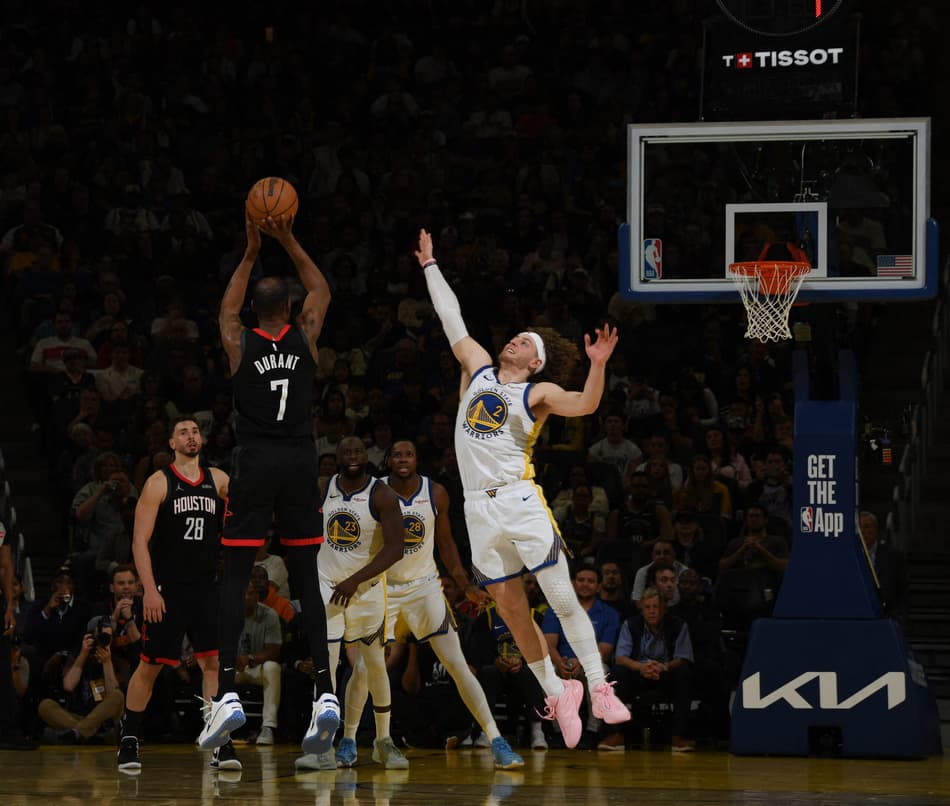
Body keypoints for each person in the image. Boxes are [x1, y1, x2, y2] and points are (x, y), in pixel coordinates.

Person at [414, 228, 630, 749]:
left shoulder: (539, 391)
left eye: (527, 343)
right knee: (510, 610)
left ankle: (600, 687)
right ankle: (558, 690)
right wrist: (430, 266)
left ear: (535, 361)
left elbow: (585, 406)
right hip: (477, 510)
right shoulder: (480, 367)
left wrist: (598, 366)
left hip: (518, 499)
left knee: (558, 594)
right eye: (518, 335)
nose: (518, 340)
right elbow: (451, 320)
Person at [200, 212, 337, 760]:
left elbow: (225, 309)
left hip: (254, 461)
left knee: (235, 575)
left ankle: (228, 690)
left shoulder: (240, 342)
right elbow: (322, 287)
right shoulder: (306, 337)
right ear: (292, 309)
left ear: (256, 312)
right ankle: (325, 690)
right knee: (306, 575)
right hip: (301, 459)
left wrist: (253, 247)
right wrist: (287, 237)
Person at [333, 439, 523, 770]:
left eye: (409, 453)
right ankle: (348, 740)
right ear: (388, 460)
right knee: (364, 669)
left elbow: (446, 544)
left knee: (457, 665)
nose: (403, 459)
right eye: (396, 454)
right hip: (383, 589)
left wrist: (464, 585)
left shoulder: (435, 493)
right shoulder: (376, 493)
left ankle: (496, 740)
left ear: (417, 459)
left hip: (424, 588)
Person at [116, 415, 230, 771]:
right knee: (150, 665)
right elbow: (139, 541)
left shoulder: (221, 481)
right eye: (183, 432)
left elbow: (241, 526)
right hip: (167, 590)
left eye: (195, 431)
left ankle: (218, 741)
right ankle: (130, 739)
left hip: (206, 586)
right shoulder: (158, 482)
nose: (191, 436)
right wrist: (148, 590)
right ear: (171, 442)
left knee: (212, 664)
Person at [295, 436, 406, 771]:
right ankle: (323, 747)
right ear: (336, 458)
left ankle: (382, 742)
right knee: (324, 668)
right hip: (328, 589)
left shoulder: (381, 494)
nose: (353, 457)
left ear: (366, 457)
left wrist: (356, 579)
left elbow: (395, 548)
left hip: (367, 590)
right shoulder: (322, 486)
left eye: (358, 451)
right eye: (347, 452)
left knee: (373, 665)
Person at [602, 587, 695, 752]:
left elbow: (683, 657)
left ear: (664, 609)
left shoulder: (679, 625)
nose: (652, 611)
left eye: (656, 607)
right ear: (641, 609)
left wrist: (664, 667)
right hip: (638, 673)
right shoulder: (630, 624)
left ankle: (677, 736)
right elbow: (621, 657)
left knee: (685, 674)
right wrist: (642, 667)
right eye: (648, 607)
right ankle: (617, 735)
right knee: (616, 673)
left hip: (666, 673)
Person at [541, 564, 620, 749]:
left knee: (600, 674)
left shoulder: (610, 614)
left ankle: (592, 732)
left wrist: (582, 662)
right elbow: (548, 644)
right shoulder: (556, 609)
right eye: (581, 580)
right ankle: (559, 732)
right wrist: (560, 662)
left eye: (591, 581)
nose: (585, 584)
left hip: (593, 662)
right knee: (548, 673)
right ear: (573, 583)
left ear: (599, 586)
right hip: (562, 661)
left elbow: (605, 649)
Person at [37, 615, 125, 745]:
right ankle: (89, 734)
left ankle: (77, 733)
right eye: (101, 636)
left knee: (118, 695)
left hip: (104, 721)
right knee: (45, 706)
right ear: (90, 636)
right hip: (78, 716)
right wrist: (83, 655)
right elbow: (68, 686)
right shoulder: (77, 656)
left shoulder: (117, 661)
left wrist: (107, 663)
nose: (105, 640)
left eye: (108, 637)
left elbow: (113, 694)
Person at [235, 579, 283, 746]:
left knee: (273, 667)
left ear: (258, 596)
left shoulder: (269, 615)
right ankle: (211, 724)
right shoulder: (228, 614)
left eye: (251, 593)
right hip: (234, 668)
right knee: (213, 668)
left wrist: (250, 658)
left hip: (256, 668)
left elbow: (274, 650)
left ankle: (268, 727)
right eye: (244, 594)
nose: (247, 597)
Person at [859, 510, 908, 625]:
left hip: (887, 618)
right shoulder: (852, 556)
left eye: (866, 527)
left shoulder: (893, 556)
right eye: (860, 528)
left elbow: (902, 590)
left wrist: (898, 617)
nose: (863, 532)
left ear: (875, 530)